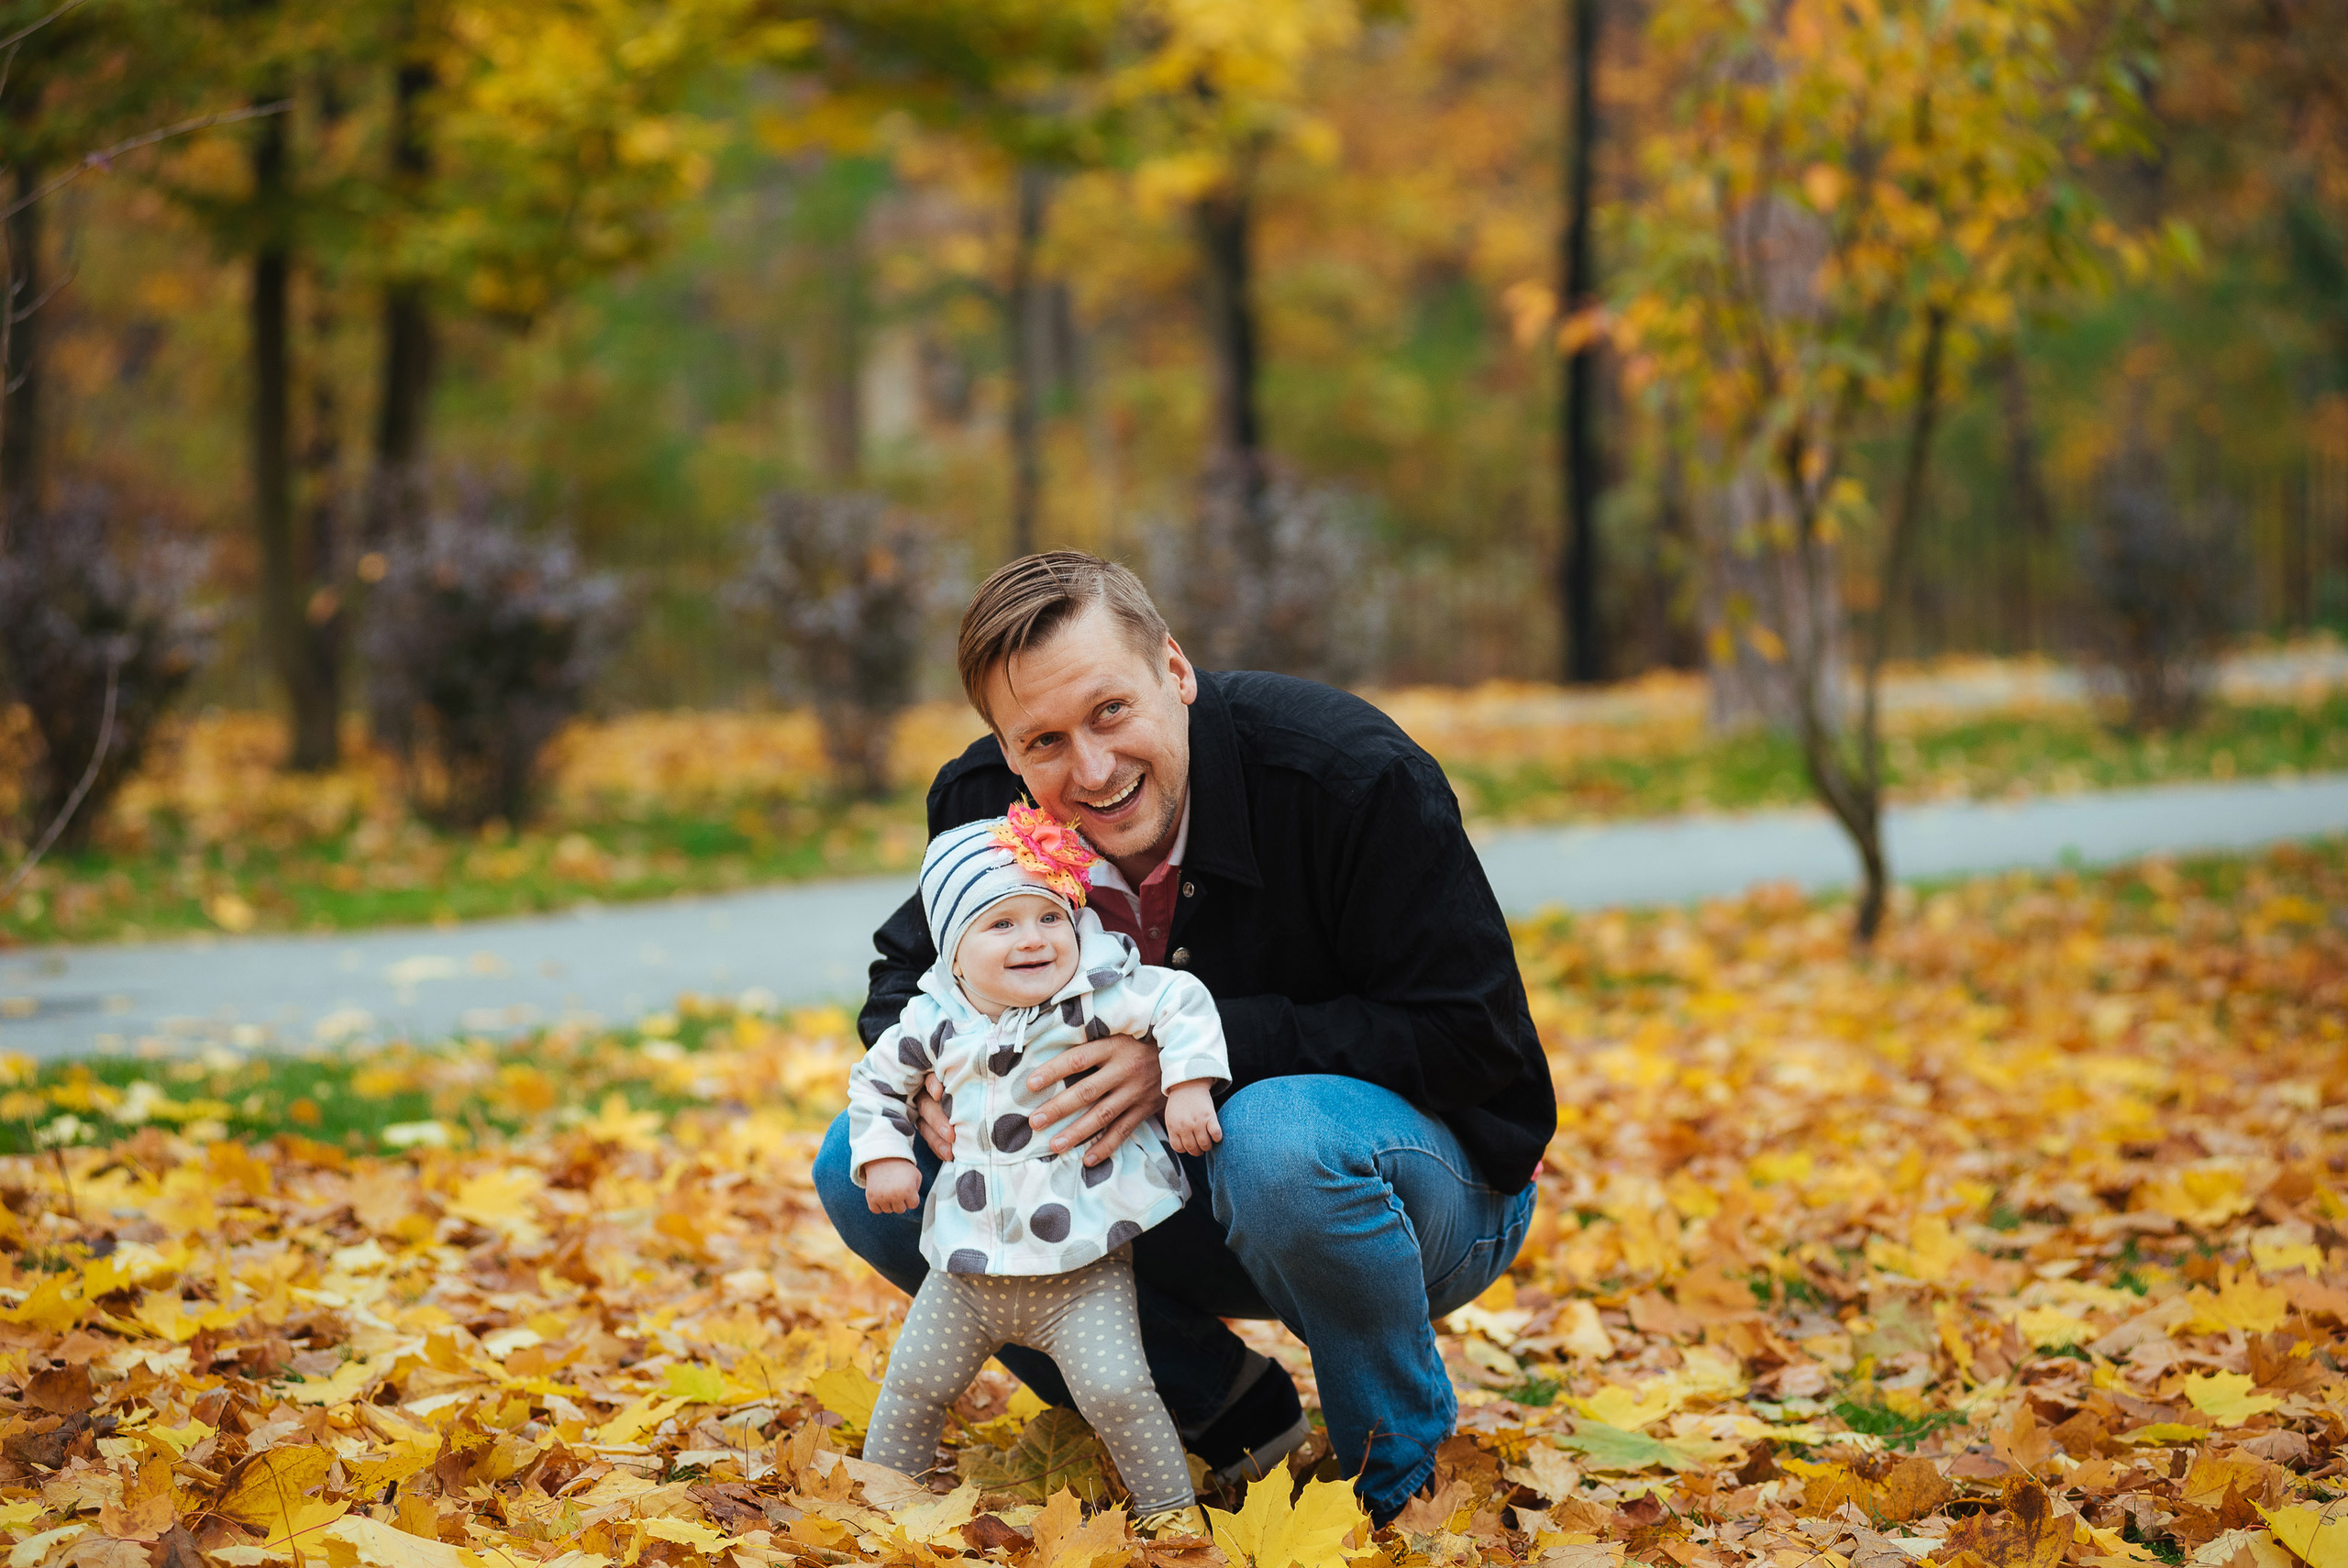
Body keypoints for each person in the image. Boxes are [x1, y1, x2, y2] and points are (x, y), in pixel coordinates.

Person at [815, 552, 1555, 1523]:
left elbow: (1472, 1038)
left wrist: (1195, 1050)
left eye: (1110, 711)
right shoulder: (983, 808)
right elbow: (907, 976)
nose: (1090, 769)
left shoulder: (1347, 775)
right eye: (1041, 740)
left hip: (1415, 1199)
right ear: (1002, 745)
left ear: (1174, 670)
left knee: (1276, 1140)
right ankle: (1225, 1409)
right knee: (859, 1169)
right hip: (1138, 1203)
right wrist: (925, 1087)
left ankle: (1396, 1473)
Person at [847, 804, 1227, 1534]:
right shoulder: (934, 1021)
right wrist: (888, 1154)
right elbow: (874, 1083)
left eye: (1050, 918)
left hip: (1080, 1272)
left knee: (1119, 1390)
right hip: (964, 1276)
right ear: (954, 950)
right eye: (1001, 925)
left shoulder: (1097, 994)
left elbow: (1182, 1001)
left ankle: (1172, 1519)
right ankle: (878, 1507)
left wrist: (1186, 1085)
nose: (1033, 941)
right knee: (915, 1385)